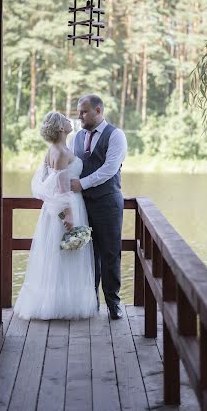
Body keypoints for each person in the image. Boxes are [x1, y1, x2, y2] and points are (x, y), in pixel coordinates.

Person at [14, 111, 98, 320]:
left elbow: (45, 181)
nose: (71, 121)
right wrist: (68, 214)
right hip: (66, 207)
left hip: (54, 209)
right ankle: (62, 305)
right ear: (61, 128)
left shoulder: (55, 150)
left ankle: (56, 302)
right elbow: (61, 188)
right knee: (66, 254)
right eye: (66, 120)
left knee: (56, 254)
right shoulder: (60, 152)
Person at [69, 94, 127, 320]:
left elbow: (109, 169)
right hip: (82, 204)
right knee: (87, 254)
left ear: (98, 111)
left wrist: (81, 184)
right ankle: (90, 302)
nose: (79, 116)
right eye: (78, 111)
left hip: (107, 203)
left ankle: (113, 303)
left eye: (83, 111)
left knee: (111, 253)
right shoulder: (76, 137)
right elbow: (70, 165)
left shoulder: (116, 135)